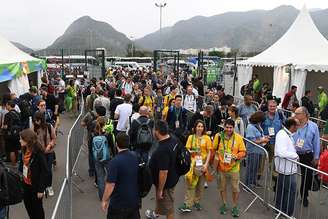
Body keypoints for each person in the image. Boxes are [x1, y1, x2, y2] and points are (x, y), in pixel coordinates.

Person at [101, 132, 140, 219]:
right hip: (134, 201)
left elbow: (110, 184)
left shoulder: (114, 162)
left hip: (118, 204)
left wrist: (104, 200)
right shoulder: (135, 156)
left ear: (116, 144)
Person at [146, 120, 180, 219]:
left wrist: (160, 190)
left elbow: (163, 172)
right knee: (163, 202)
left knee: (169, 209)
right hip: (173, 178)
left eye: (153, 130)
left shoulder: (162, 150)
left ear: (157, 131)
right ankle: (155, 213)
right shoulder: (173, 139)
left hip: (166, 184)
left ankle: (157, 213)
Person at [213, 119, 246, 217]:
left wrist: (237, 156)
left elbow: (243, 152)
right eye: (227, 127)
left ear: (233, 128)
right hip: (221, 168)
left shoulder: (239, 138)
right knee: (222, 188)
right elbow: (214, 149)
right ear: (224, 126)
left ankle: (235, 207)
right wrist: (215, 163)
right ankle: (224, 204)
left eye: (231, 127)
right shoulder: (218, 136)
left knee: (235, 189)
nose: (228, 129)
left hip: (234, 168)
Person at [178, 120, 212, 213]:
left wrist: (206, 164)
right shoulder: (191, 137)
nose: (200, 128)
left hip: (203, 163)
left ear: (204, 128)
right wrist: (192, 152)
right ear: (195, 127)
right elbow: (187, 149)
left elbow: (209, 152)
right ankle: (187, 204)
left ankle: (197, 201)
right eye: (198, 126)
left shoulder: (207, 138)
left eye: (201, 126)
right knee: (191, 183)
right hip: (193, 163)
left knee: (200, 185)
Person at [293, 107, 320, 207]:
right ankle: (289, 194)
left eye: (297, 113)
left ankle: (304, 196)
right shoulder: (293, 124)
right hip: (293, 154)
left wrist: (316, 157)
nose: (295, 115)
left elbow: (316, 142)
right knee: (289, 174)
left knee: (307, 177)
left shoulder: (313, 126)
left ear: (304, 115)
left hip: (307, 154)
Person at [20, 129, 49, 219]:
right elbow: (23, 164)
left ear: (27, 140)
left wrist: (41, 190)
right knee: (29, 208)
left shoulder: (38, 152)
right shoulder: (24, 149)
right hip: (26, 184)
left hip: (35, 186)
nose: (19, 140)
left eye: (21, 139)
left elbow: (44, 171)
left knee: (37, 210)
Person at [274, 118, 299, 217]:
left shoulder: (287, 134)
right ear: (292, 126)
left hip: (287, 169)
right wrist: (295, 156)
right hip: (286, 169)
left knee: (283, 190)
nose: (298, 127)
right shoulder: (282, 134)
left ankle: (280, 210)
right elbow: (281, 152)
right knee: (291, 192)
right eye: (297, 125)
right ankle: (287, 213)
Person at [32, 111, 56, 197]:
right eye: (35, 120)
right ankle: (42, 187)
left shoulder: (49, 126)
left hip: (48, 152)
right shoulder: (33, 128)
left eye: (37, 120)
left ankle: (49, 186)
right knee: (39, 171)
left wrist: (49, 146)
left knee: (48, 171)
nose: (36, 122)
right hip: (38, 153)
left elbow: (53, 138)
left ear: (41, 120)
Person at [245, 111, 270, 188]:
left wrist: (264, 137)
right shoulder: (250, 127)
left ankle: (253, 182)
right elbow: (252, 141)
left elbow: (258, 137)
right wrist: (263, 140)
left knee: (255, 168)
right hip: (252, 151)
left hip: (258, 150)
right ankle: (247, 185)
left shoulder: (257, 125)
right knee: (251, 168)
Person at [81, 105, 107, 177]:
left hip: (92, 139)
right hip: (103, 139)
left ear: (97, 113)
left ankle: (92, 171)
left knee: (91, 154)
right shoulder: (107, 120)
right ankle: (102, 168)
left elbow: (83, 124)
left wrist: (87, 124)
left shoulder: (92, 120)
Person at [3, 100, 21, 165]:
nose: (6, 106)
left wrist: (3, 127)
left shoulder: (7, 115)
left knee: (11, 150)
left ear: (9, 105)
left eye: (7, 105)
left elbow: (5, 126)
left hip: (10, 135)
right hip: (17, 134)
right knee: (17, 149)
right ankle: (18, 162)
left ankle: (14, 165)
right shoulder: (18, 114)